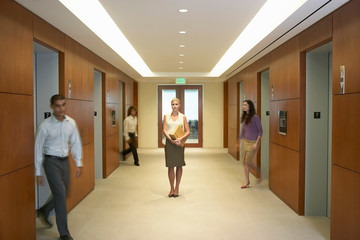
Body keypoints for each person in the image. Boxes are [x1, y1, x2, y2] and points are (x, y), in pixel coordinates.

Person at [35, 94, 82, 240]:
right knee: (61, 195)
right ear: (52, 107)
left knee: (64, 192)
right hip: (50, 161)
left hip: (65, 161)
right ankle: (64, 233)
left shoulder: (71, 123)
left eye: (63, 105)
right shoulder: (45, 126)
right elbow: (37, 148)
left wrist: (78, 163)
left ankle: (44, 210)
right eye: (58, 106)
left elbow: (75, 143)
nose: (61, 109)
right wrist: (37, 172)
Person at [163, 98, 190, 197]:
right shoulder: (166, 116)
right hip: (170, 142)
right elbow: (164, 129)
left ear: (180, 105)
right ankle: (171, 189)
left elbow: (188, 131)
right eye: (173, 104)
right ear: (171, 106)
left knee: (179, 165)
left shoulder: (183, 117)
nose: (174, 106)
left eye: (176, 104)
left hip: (179, 143)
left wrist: (181, 139)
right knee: (170, 166)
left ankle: (177, 188)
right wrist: (170, 140)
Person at [239, 99, 263, 189]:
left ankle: (259, 172)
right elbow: (243, 130)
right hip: (245, 141)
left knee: (248, 161)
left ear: (250, 106)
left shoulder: (255, 117)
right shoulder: (245, 116)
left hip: (253, 142)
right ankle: (247, 181)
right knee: (244, 162)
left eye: (245, 105)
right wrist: (239, 141)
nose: (243, 106)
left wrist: (256, 143)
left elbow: (260, 131)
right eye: (243, 105)